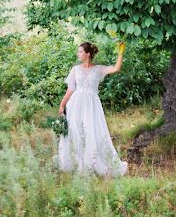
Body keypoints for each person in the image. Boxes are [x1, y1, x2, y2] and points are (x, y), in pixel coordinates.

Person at [53, 40, 128, 177]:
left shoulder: (98, 69)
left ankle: (92, 162)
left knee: (91, 130)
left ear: (88, 54)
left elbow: (116, 68)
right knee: (75, 130)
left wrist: (120, 53)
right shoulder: (75, 69)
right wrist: (62, 104)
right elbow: (70, 89)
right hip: (76, 104)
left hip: (91, 105)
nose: (78, 54)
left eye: (80, 51)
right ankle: (78, 161)